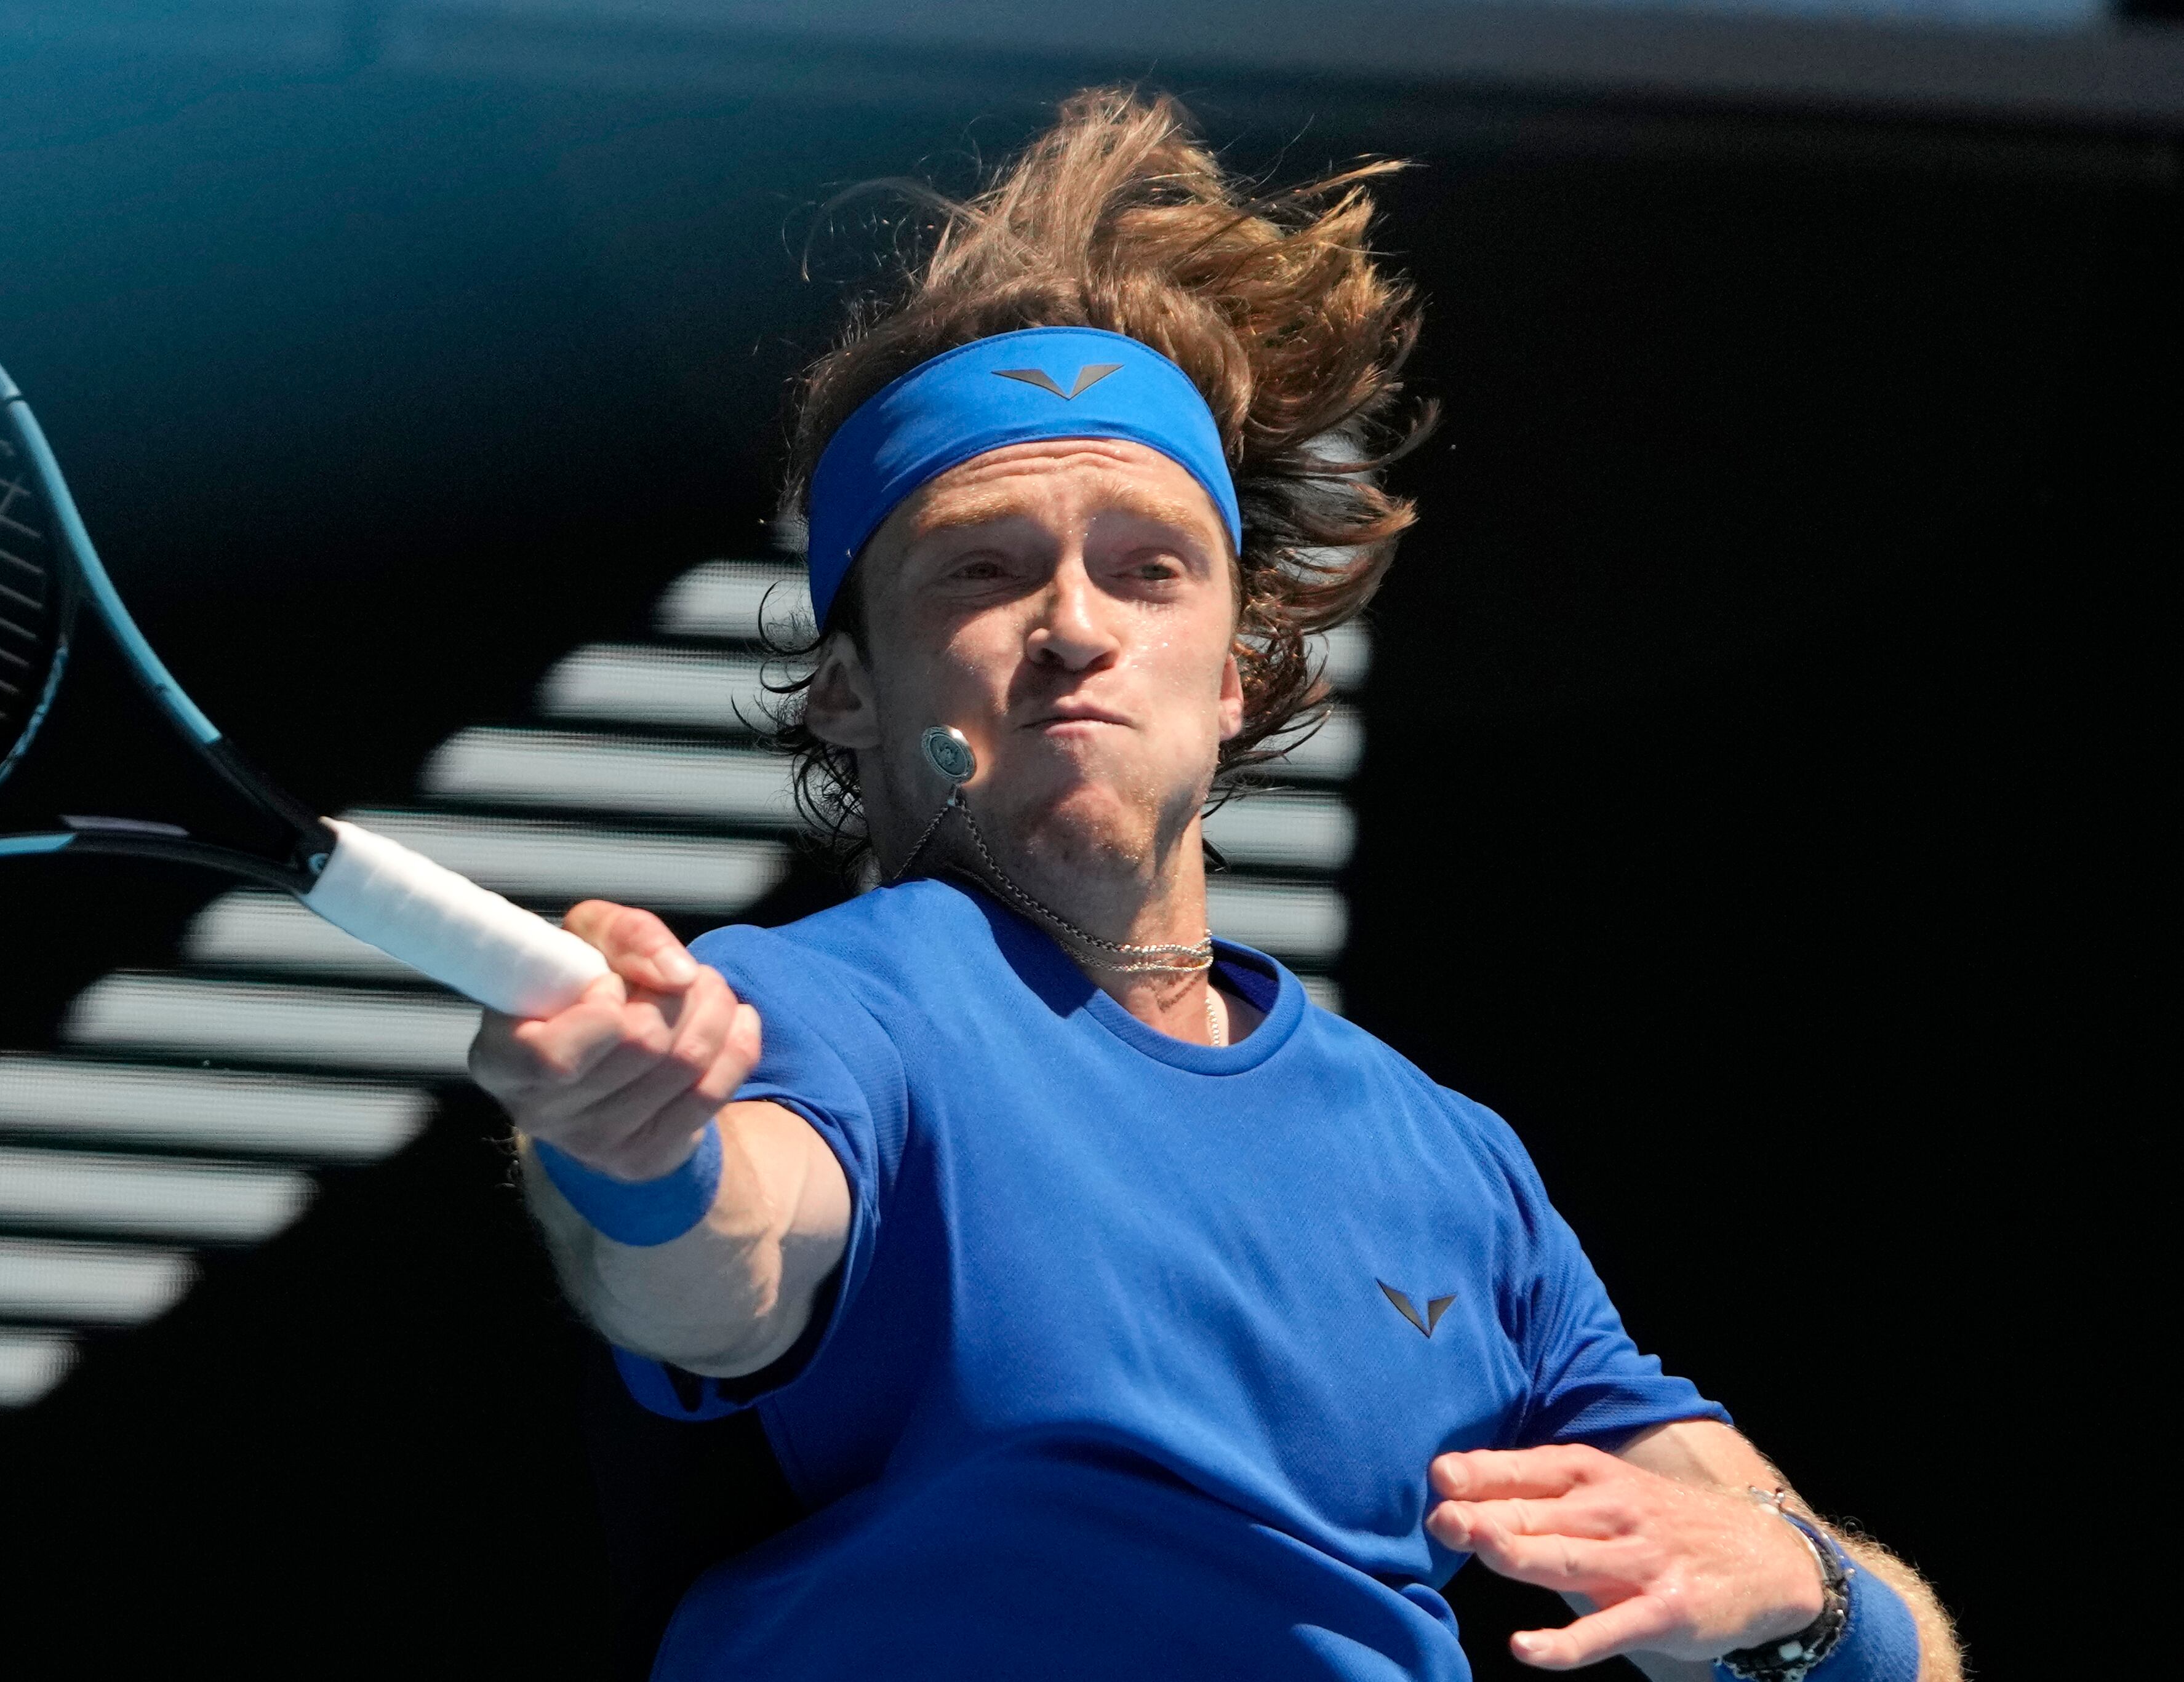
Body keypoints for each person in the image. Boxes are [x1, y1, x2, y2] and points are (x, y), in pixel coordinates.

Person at [470, 89, 1962, 1681]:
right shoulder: (825, 1005)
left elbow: (1903, 1651)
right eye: (983, 568)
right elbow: (730, 1262)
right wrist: (640, 1157)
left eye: (1148, 568)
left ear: (1236, 676)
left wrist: (1806, 1593)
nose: (1074, 625)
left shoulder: (1454, 1165)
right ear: (848, 689)